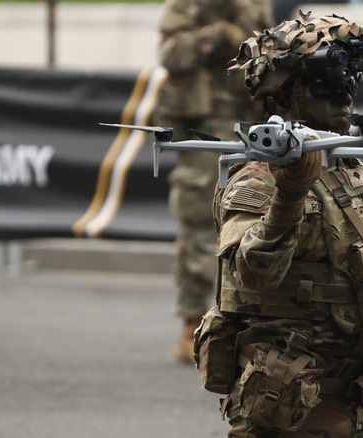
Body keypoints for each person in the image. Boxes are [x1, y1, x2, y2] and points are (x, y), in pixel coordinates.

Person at [196, 14, 363, 437]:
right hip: (293, 411)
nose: (343, 98)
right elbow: (250, 273)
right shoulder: (257, 180)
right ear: (282, 98)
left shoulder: (358, 174)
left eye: (349, 83)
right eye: (325, 85)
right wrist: (289, 194)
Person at [152, 0, 272, 363]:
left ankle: (241, 324)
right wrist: (216, 34)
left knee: (253, 223)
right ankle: (192, 324)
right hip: (204, 129)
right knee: (198, 225)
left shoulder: (252, 6)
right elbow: (170, 55)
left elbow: (271, 58)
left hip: (249, 127)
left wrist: (243, 29)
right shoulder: (188, 6)